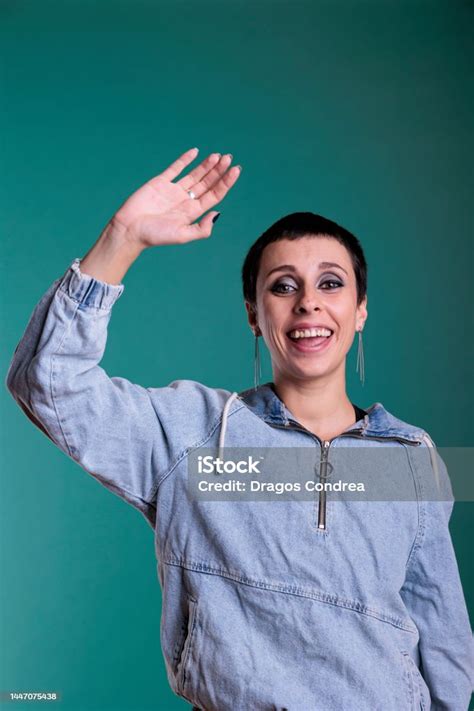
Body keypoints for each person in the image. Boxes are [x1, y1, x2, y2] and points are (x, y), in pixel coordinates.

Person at [6, 147, 473, 710]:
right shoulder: (191, 435)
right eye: (282, 287)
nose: (308, 305)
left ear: (361, 308)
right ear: (253, 313)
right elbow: (49, 379)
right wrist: (122, 238)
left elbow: (443, 636)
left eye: (331, 284)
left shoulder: (411, 458)